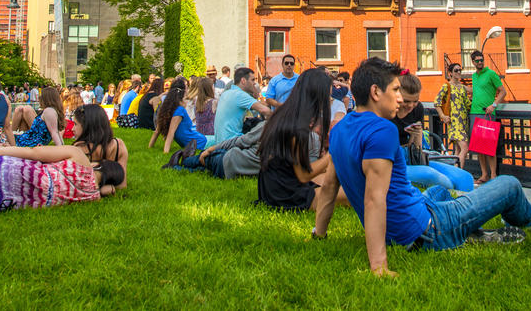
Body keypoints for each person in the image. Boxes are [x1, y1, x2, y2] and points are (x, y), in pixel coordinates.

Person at [314, 57, 531, 277]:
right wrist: (379, 266)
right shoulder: (382, 130)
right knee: (510, 185)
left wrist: (318, 234)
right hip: (429, 230)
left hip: (410, 217)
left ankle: (470, 229)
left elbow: (329, 187)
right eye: (396, 90)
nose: (400, 99)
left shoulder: (341, 129)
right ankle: (511, 222)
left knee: (440, 190)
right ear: (376, 92)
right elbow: (373, 200)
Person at [256, 68, 346, 211]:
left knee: (342, 181)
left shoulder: (286, 115)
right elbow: (304, 175)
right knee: (352, 192)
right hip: (287, 194)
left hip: (276, 186)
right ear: (316, 96)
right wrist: (333, 155)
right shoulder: (296, 128)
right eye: (326, 97)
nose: (328, 101)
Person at [393, 72, 473, 192]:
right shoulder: (387, 112)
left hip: (411, 156)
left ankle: (464, 208)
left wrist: (415, 136)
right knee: (438, 179)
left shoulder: (418, 109)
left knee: (465, 178)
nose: (410, 105)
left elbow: (416, 149)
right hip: (393, 162)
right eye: (406, 101)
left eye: (415, 101)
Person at [470, 50, 506, 183]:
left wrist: (494, 105)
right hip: (474, 112)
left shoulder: (491, 74)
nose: (480, 62)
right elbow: (476, 91)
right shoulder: (474, 76)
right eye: (477, 61)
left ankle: (493, 175)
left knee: (489, 146)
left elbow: (503, 91)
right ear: (473, 62)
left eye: (481, 60)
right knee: (479, 147)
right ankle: (484, 175)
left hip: (487, 113)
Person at [72, 104, 128, 190]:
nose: (72, 129)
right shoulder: (118, 145)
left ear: (87, 126)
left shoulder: (78, 149)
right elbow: (121, 185)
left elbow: (75, 185)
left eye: (75, 124)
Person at [148, 78, 206, 154]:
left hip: (194, 139)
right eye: (186, 89)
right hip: (199, 142)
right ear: (183, 92)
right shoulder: (179, 110)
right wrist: (165, 152)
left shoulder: (166, 109)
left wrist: (149, 147)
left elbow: (157, 131)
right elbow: (171, 133)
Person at [213, 67, 271, 143]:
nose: (255, 83)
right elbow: (266, 111)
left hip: (220, 141)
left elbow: (259, 103)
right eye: (252, 80)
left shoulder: (227, 93)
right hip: (231, 142)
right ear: (243, 80)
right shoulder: (240, 95)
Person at [435, 63, 471, 168]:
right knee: (465, 147)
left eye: (460, 70)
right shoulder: (447, 86)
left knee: (458, 149)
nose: (459, 72)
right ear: (450, 73)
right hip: (454, 121)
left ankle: (453, 172)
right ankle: (459, 173)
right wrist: (442, 116)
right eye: (456, 70)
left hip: (464, 121)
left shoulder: (462, 88)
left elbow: (467, 104)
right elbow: (437, 102)